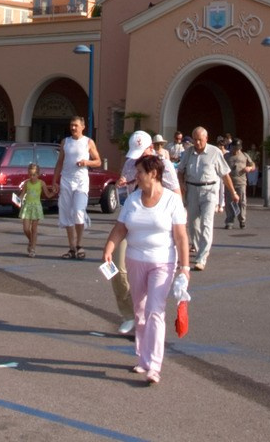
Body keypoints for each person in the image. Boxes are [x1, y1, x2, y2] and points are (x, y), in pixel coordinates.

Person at [101, 152, 190, 386]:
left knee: (155, 310)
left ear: (153, 174)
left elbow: (181, 236)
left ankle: (154, 366)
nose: (136, 176)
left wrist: (185, 267)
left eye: (140, 172)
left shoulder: (172, 200)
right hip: (135, 259)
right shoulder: (133, 200)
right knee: (140, 311)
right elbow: (121, 228)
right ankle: (142, 357)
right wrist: (109, 248)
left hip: (163, 262)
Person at [109, 131, 181, 336]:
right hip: (132, 220)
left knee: (152, 279)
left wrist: (177, 231)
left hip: (157, 226)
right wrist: (122, 183)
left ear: (151, 148)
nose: (139, 157)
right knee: (116, 267)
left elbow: (177, 195)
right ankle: (129, 314)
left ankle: (147, 321)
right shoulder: (130, 163)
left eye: (142, 152)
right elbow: (125, 192)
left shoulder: (164, 166)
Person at [176, 126, 236, 271]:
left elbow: (225, 174)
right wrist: (181, 184)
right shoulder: (188, 153)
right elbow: (180, 171)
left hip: (209, 190)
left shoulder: (215, 152)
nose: (197, 143)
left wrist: (233, 192)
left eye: (200, 140)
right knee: (193, 224)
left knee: (206, 223)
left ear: (206, 139)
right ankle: (199, 249)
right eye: (195, 140)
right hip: (192, 190)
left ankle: (201, 258)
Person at [54, 115, 102, 259]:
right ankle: (72, 248)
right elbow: (60, 162)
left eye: (76, 125)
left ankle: (80, 245)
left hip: (81, 182)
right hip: (66, 181)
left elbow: (98, 161)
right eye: (71, 125)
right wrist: (54, 181)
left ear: (83, 127)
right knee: (66, 214)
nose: (73, 128)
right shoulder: (65, 142)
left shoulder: (88, 142)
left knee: (78, 211)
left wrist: (86, 162)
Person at [223, 140, 256, 230]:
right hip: (229, 182)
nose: (235, 151)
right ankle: (229, 221)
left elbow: (253, 165)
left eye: (237, 149)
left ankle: (242, 220)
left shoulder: (244, 155)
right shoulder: (226, 156)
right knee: (229, 202)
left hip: (241, 182)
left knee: (242, 202)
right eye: (234, 148)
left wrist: (249, 168)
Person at [17, 161, 46, 257]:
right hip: (27, 206)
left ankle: (33, 248)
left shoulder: (41, 183)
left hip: (36, 207)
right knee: (26, 228)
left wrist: (54, 191)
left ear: (38, 174)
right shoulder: (27, 183)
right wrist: (17, 200)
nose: (32, 177)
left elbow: (48, 194)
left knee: (34, 228)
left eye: (34, 175)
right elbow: (22, 195)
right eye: (30, 175)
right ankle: (31, 240)